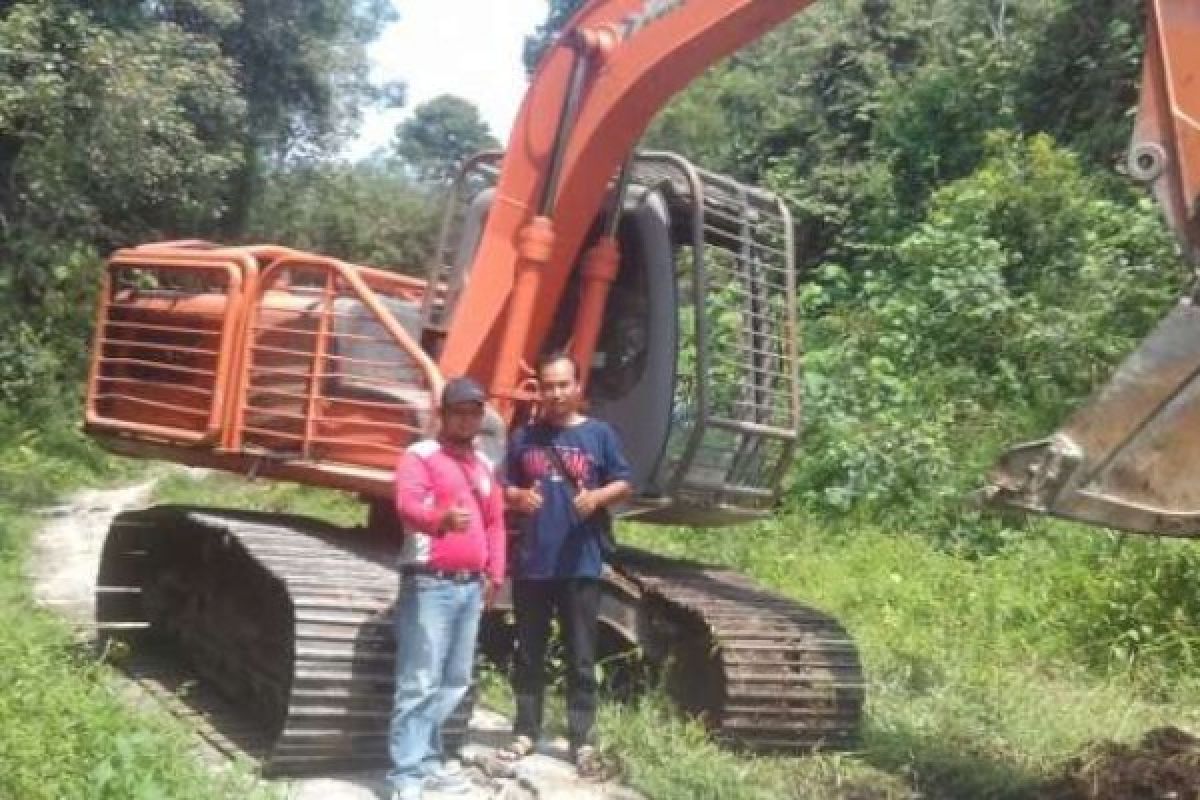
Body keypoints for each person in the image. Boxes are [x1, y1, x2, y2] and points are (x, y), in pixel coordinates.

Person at [502, 351, 633, 779]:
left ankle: (582, 740)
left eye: (564, 384)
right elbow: (502, 485)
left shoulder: (599, 435)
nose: (556, 393)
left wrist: (597, 497)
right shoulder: (523, 437)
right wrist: (516, 497)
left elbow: (624, 481)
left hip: (580, 562)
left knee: (580, 655)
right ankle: (525, 731)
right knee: (529, 653)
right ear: (538, 389)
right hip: (533, 564)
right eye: (548, 385)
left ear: (577, 387)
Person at [388, 376, 506, 800]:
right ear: (443, 414)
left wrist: (495, 572)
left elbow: (495, 522)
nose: (468, 418)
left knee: (454, 680)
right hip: (430, 583)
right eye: (460, 410)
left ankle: (429, 759)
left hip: (469, 588)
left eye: (475, 411)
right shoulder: (420, 456)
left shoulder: (485, 466)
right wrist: (440, 520)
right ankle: (405, 775)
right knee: (419, 680)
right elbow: (407, 503)